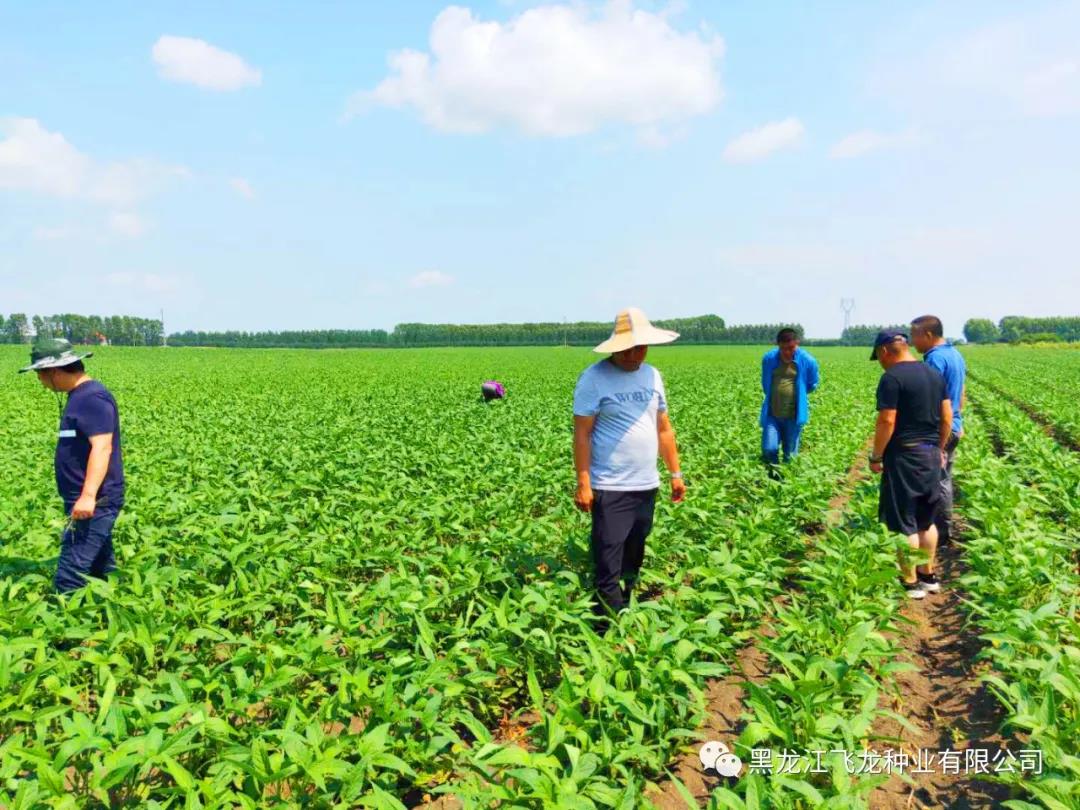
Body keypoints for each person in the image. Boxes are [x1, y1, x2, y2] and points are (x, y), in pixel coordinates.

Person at [572, 307, 685, 622]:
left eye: (641, 347)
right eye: (628, 348)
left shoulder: (652, 375)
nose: (634, 354)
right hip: (610, 486)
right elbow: (582, 434)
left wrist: (675, 473)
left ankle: (625, 611)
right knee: (608, 560)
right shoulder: (594, 379)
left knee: (633, 555)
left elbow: (664, 428)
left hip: (646, 484)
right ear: (616, 346)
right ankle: (608, 629)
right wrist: (583, 483)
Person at [19, 338, 125, 593]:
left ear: (54, 371)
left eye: (40, 373)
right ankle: (111, 609)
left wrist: (88, 496)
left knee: (69, 578)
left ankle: (70, 619)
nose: (39, 380)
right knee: (101, 571)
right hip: (85, 501)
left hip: (95, 502)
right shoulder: (79, 397)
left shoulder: (91, 398)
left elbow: (102, 447)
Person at [868, 329, 952, 599]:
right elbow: (947, 417)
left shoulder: (892, 378)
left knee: (904, 521)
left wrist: (876, 456)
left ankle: (910, 581)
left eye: (879, 357)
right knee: (926, 521)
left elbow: (887, 420)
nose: (880, 363)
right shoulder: (934, 374)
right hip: (930, 454)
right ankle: (929, 576)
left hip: (904, 455)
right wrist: (939, 448)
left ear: (884, 351)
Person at [910, 315, 966, 545]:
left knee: (934, 481)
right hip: (952, 425)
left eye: (914, 335)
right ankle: (943, 531)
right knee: (943, 478)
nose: (912, 341)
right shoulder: (955, 354)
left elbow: (930, 399)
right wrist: (958, 421)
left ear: (928, 335)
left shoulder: (934, 359)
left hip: (939, 429)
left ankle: (939, 534)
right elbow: (961, 393)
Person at [759, 328, 820, 468]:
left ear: (797, 343)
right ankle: (773, 476)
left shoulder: (808, 361)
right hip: (772, 415)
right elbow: (765, 383)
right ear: (778, 345)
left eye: (791, 348)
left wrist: (798, 394)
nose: (787, 352)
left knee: (790, 455)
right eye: (783, 348)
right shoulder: (769, 359)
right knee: (769, 449)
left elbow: (812, 384)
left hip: (793, 416)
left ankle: (786, 478)